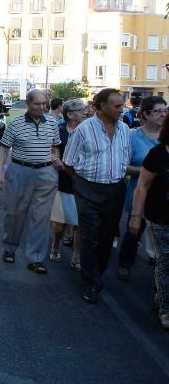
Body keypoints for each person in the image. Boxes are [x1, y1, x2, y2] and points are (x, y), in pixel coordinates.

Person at [62, 88, 132, 303]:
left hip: (115, 189)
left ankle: (96, 274)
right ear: (102, 106)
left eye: (122, 105)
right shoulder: (83, 130)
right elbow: (68, 162)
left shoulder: (125, 129)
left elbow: (126, 158)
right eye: (117, 106)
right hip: (88, 189)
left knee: (107, 236)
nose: (122, 110)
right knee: (90, 236)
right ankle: (91, 283)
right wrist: (81, 185)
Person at [0, 89, 61, 273]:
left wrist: (55, 160)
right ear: (28, 104)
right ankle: (9, 248)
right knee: (15, 213)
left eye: (43, 104)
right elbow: (4, 149)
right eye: (37, 104)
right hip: (19, 171)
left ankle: (36, 258)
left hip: (46, 173)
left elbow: (55, 147)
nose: (41, 107)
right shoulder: (15, 124)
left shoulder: (53, 124)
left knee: (41, 217)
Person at [128, 113, 169, 330]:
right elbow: (142, 186)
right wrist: (135, 216)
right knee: (166, 261)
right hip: (161, 216)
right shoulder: (158, 154)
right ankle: (166, 308)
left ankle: (161, 295)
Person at [117, 96, 166, 278]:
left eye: (165, 110)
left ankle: (160, 264)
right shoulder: (133, 136)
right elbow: (123, 165)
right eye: (158, 111)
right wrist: (147, 171)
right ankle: (124, 263)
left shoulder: (166, 136)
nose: (163, 114)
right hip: (141, 191)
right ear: (145, 114)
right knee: (134, 230)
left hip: (164, 195)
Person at [49, 98, 86, 269]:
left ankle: (77, 256)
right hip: (62, 179)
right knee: (59, 221)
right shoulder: (59, 130)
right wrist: (55, 160)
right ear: (70, 114)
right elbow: (51, 149)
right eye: (80, 110)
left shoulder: (87, 130)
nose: (84, 112)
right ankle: (56, 244)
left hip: (83, 180)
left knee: (80, 223)